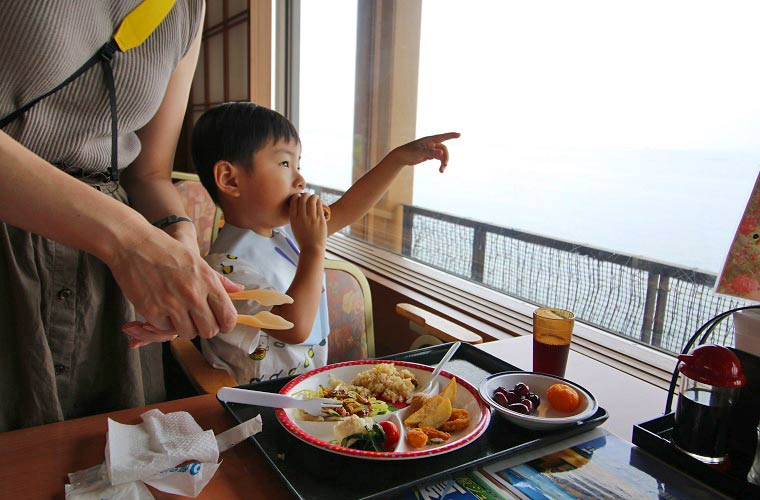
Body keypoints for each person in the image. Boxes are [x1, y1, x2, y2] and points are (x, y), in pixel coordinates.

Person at [0, 0, 243, 432]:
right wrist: (131, 242)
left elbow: (149, 174)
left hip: (106, 281)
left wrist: (178, 240)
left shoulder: (188, 8)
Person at [189, 102, 459, 384]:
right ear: (230, 179)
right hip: (258, 407)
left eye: (298, 165)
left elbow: (346, 209)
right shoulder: (224, 269)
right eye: (284, 163)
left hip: (304, 390)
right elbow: (293, 327)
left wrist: (398, 159)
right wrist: (314, 248)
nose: (300, 180)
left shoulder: (286, 234)